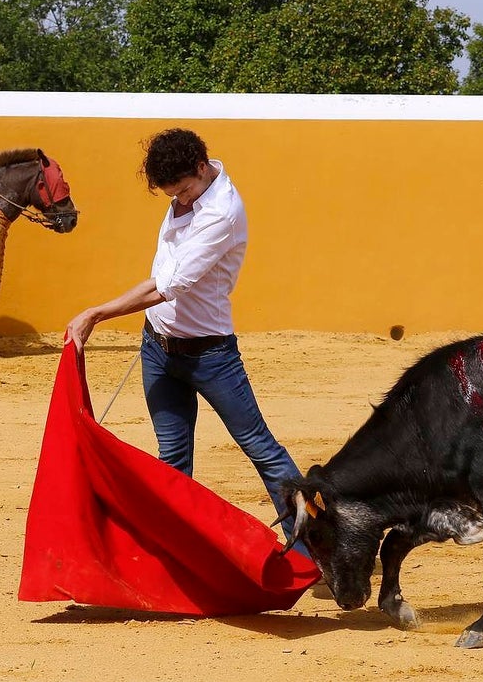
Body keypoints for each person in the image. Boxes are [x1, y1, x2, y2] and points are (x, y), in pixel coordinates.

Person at [65, 128, 308, 551]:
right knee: (172, 457)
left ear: (201, 168)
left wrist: (97, 313)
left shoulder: (222, 212)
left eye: (185, 190)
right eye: (172, 195)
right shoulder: (188, 193)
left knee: (260, 448)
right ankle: (175, 555)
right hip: (157, 349)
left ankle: (315, 548)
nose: (181, 200)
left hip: (210, 355)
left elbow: (167, 286)